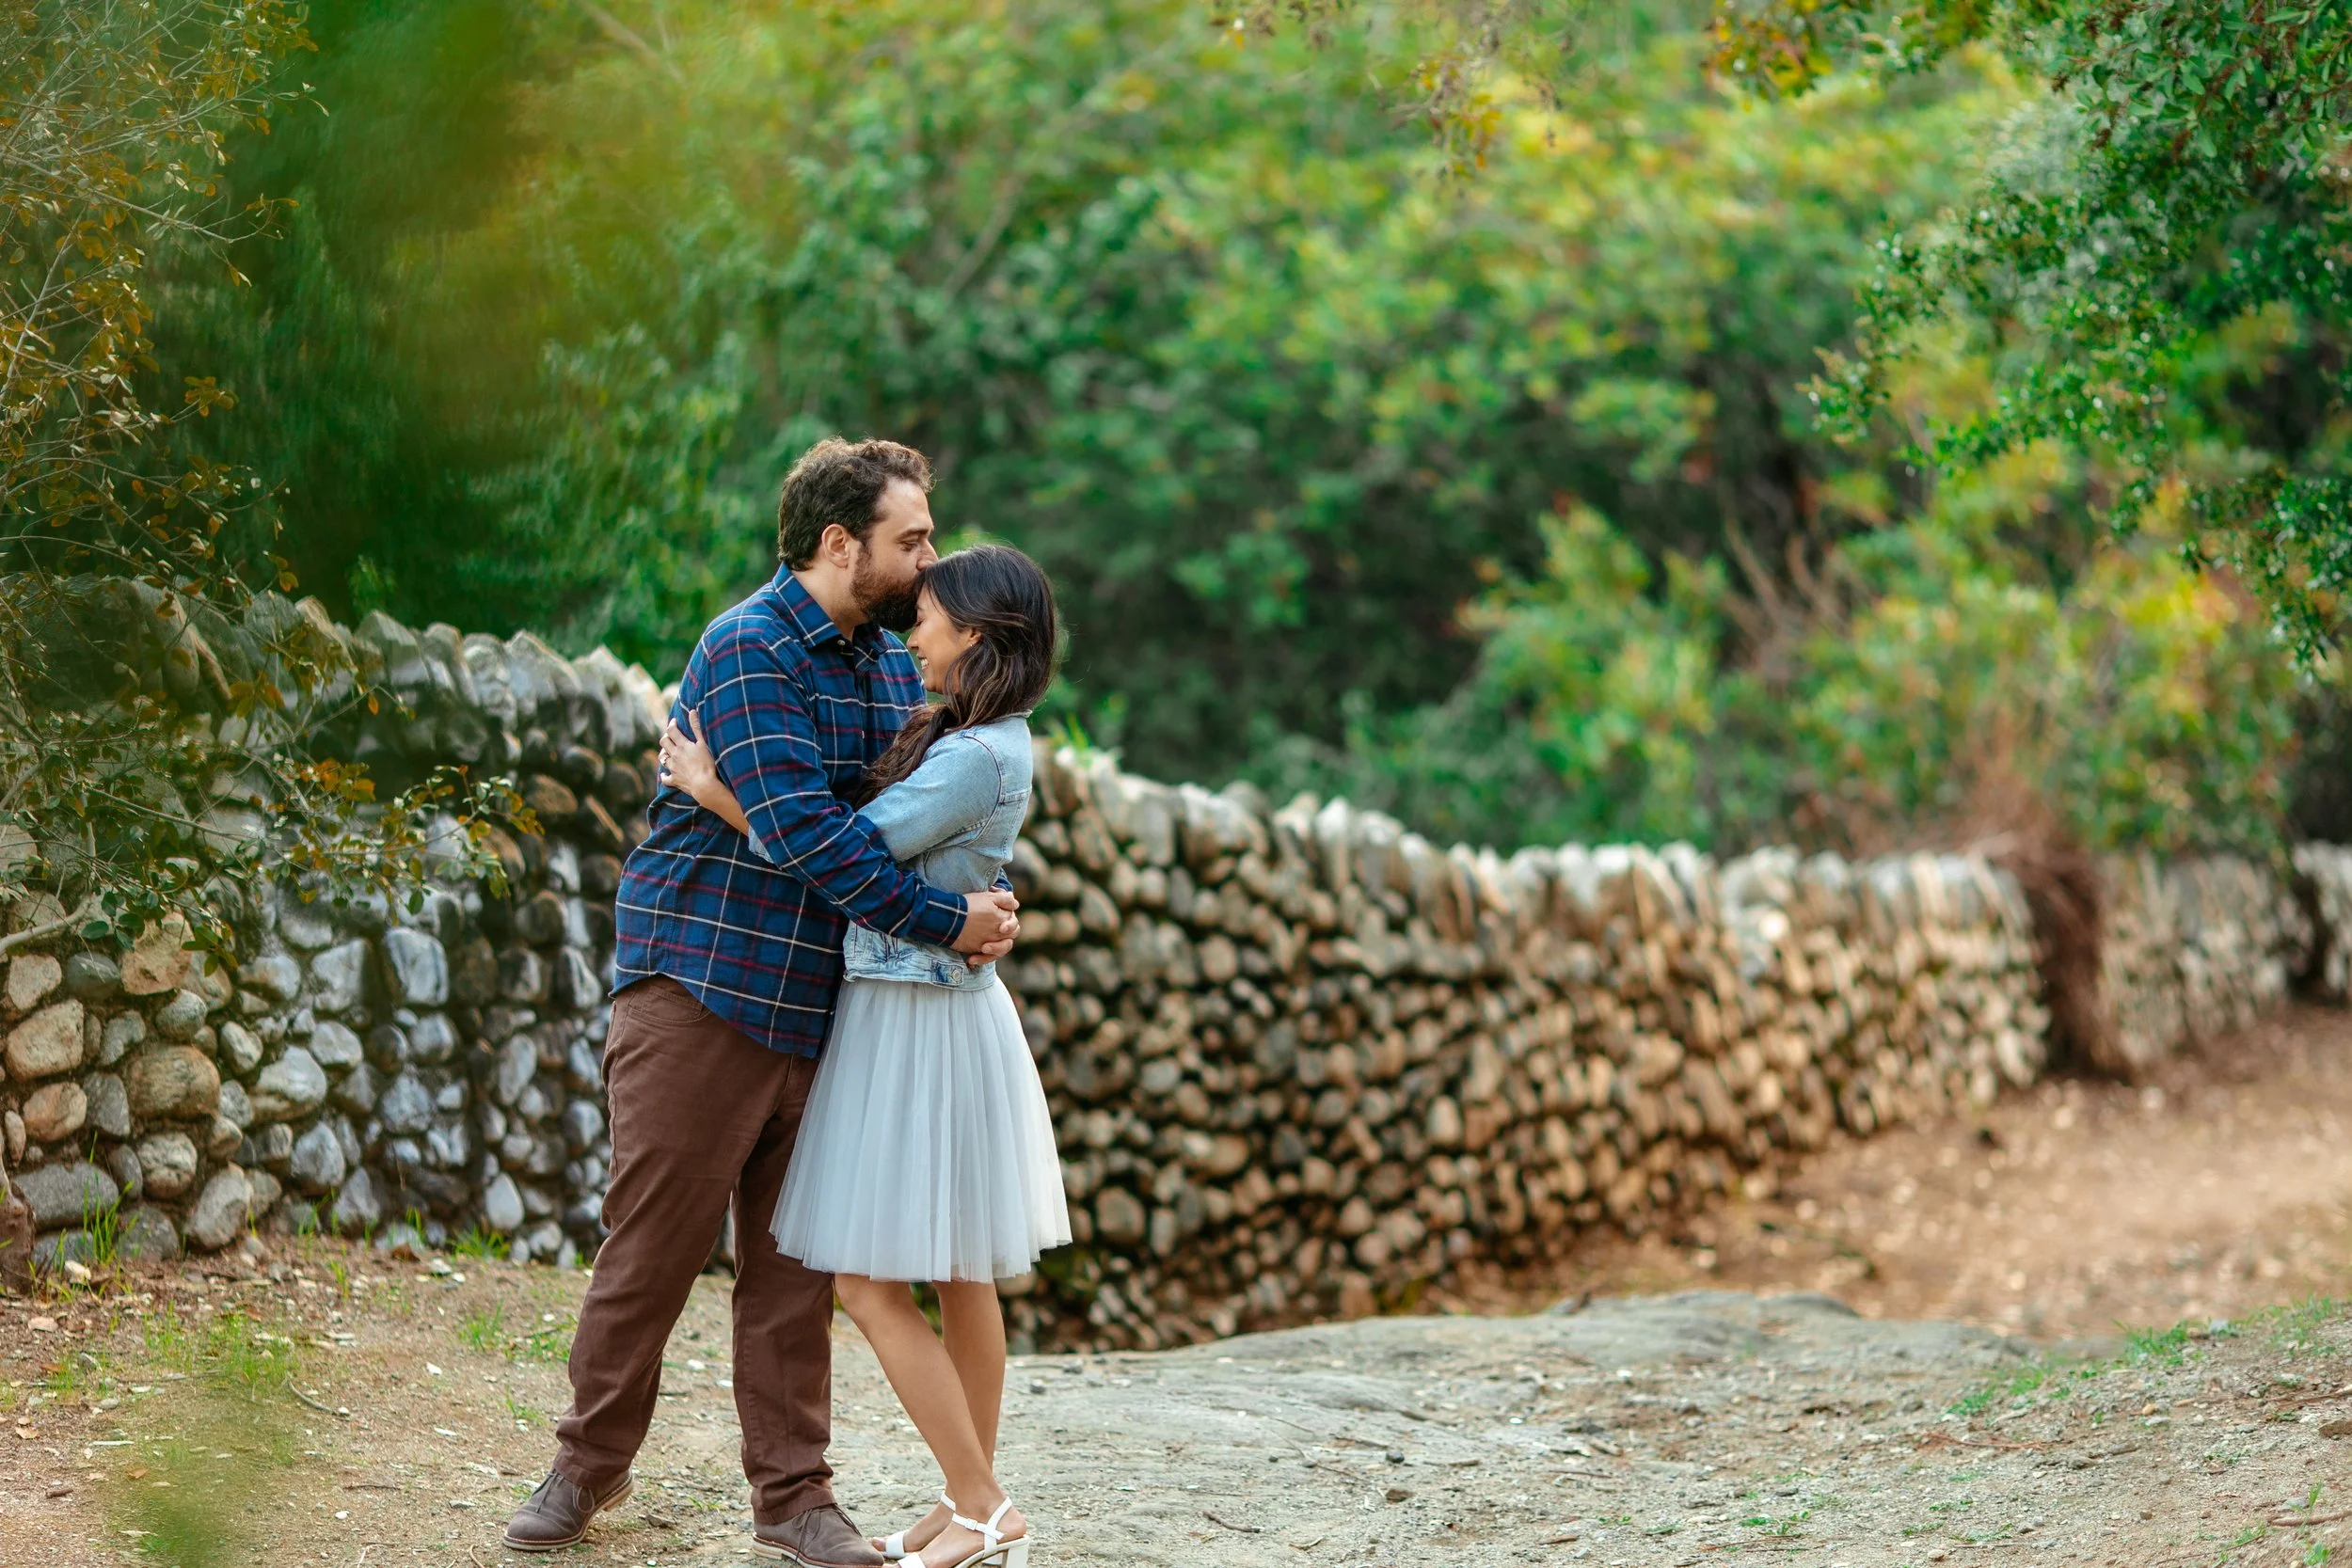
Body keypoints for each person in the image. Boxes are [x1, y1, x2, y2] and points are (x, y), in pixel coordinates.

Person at [501, 438, 1024, 1567]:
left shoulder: (890, 666)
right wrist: (948, 921)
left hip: (835, 1006)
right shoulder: (746, 648)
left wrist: (987, 891)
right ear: (841, 544)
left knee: (796, 1270)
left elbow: (914, 819)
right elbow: (804, 833)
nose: (930, 560)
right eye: (912, 539)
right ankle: (587, 1464)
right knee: (653, 1247)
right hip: (704, 984)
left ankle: (794, 1499)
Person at [659, 543, 1070, 1568]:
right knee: (960, 1276)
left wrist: (715, 790)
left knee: (869, 1284)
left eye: (927, 614)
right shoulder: (979, 737)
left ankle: (982, 1502)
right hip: (936, 1011)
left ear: (975, 633)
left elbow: (841, 845)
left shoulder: (977, 754)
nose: (911, 630)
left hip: (915, 1020)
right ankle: (968, 1498)